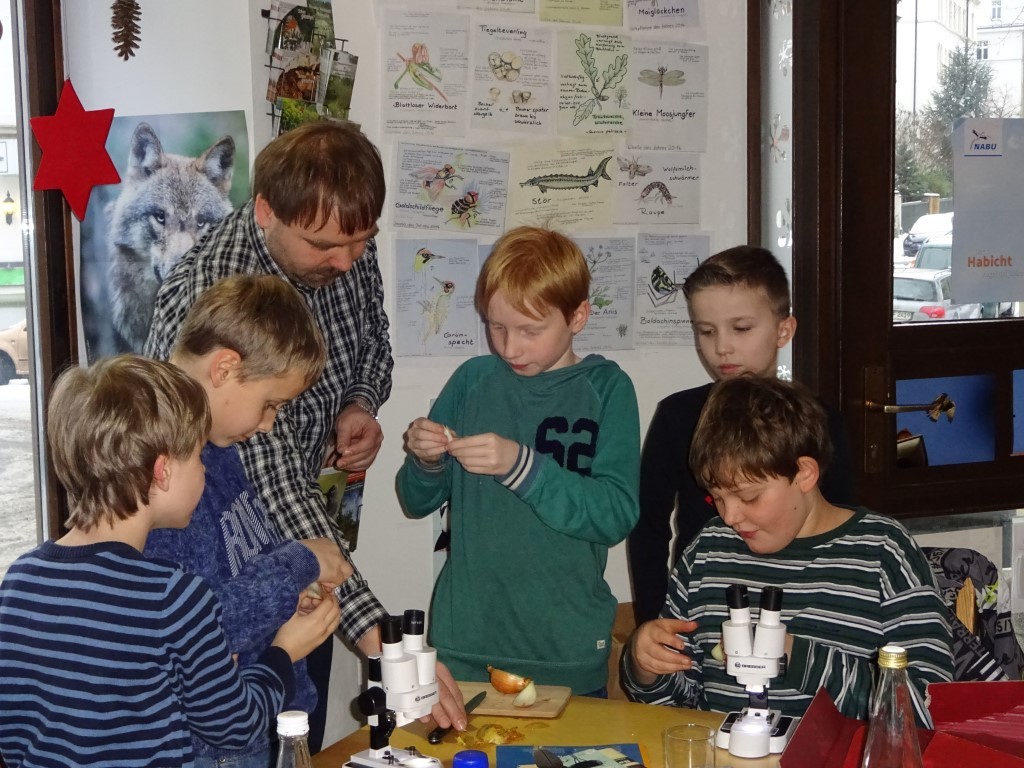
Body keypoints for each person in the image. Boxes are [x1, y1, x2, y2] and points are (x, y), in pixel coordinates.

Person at [142, 121, 466, 742]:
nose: (346, 261)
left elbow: (374, 342)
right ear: (266, 211)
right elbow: (274, 481)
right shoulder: (217, 302)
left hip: (305, 545)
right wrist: (386, 643)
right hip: (237, 568)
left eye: (360, 241)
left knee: (301, 716)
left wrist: (359, 404)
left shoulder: (343, 241)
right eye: (324, 246)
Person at [0, 356, 341, 768]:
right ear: (162, 472)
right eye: (197, 457)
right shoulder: (173, 596)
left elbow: (13, 731)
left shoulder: (19, 581)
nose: (203, 469)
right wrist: (284, 651)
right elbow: (236, 727)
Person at [622, 376, 953, 725]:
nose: (729, 516)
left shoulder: (884, 553)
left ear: (804, 474)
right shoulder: (708, 551)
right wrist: (644, 666)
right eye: (717, 498)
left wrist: (796, 657)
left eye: (749, 497)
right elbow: (676, 702)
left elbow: (926, 710)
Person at [396, 226, 641, 694]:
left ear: (578, 317)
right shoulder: (473, 380)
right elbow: (415, 500)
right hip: (465, 644)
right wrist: (427, 460)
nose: (510, 347)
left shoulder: (607, 389)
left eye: (531, 330)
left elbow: (614, 516)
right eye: (496, 326)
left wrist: (521, 467)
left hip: (565, 647)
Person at [144, 274, 352, 768]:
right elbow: (199, 629)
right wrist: (298, 562)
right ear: (224, 369)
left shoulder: (215, 445)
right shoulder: (168, 483)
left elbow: (239, 565)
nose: (269, 424)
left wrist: (290, 599)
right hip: (219, 749)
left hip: (264, 724)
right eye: (270, 404)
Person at [627, 245, 855, 626]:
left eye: (741, 328)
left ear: (784, 330)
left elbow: (842, 523)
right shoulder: (677, 416)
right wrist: (653, 622)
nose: (722, 347)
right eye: (706, 331)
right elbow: (648, 528)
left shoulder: (820, 420)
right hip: (703, 609)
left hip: (799, 610)